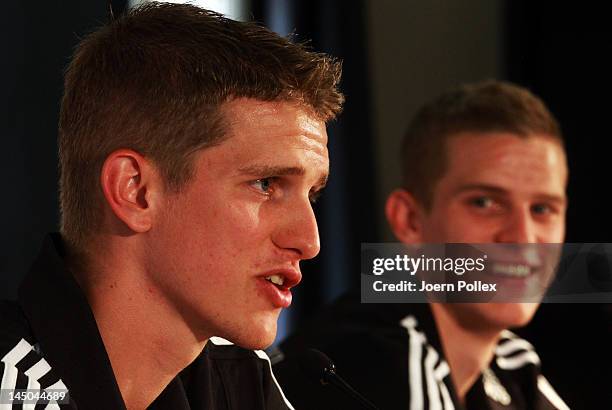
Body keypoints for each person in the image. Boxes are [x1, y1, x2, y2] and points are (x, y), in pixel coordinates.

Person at [0, 2, 343, 409]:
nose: (309, 241)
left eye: (312, 195)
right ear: (136, 190)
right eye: (265, 184)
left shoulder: (242, 386)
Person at [274, 80, 570, 409]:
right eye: (485, 203)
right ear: (410, 220)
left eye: (543, 209)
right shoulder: (370, 359)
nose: (523, 238)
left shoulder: (512, 364)